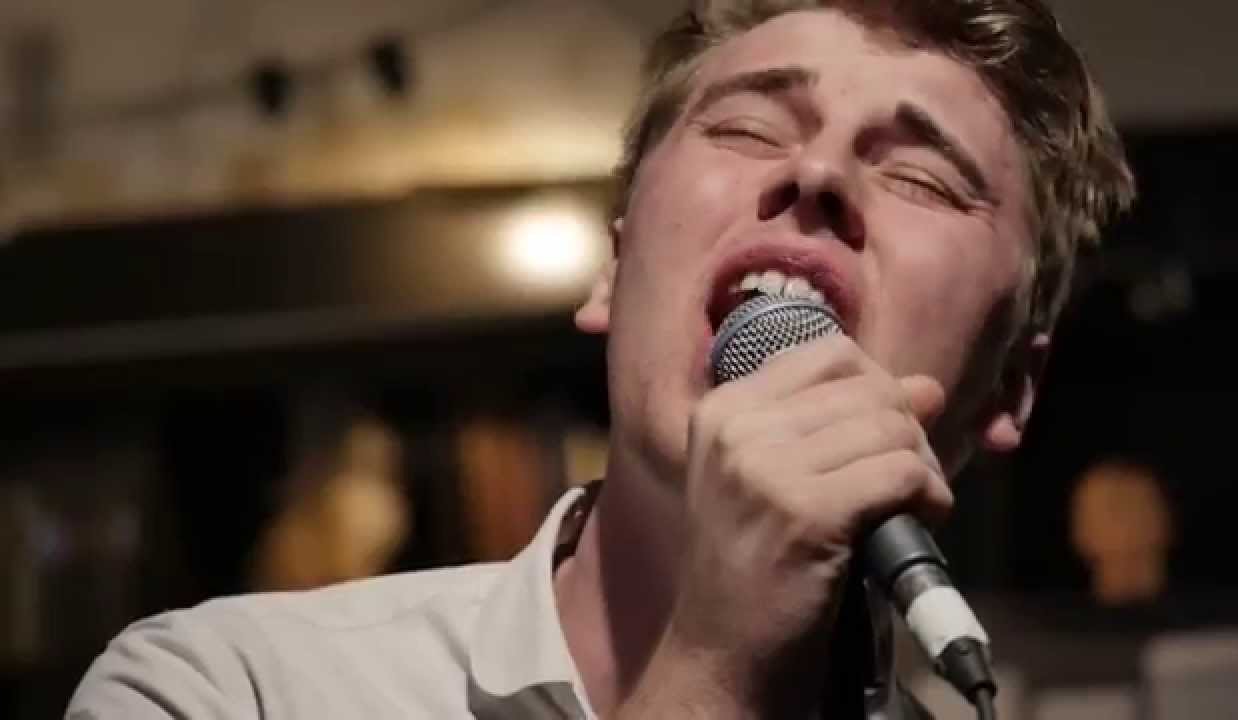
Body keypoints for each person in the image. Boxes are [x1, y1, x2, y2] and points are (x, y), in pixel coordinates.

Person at [67, 0, 1134, 717]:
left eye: (922, 178)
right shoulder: (230, 689)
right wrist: (716, 668)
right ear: (612, 275)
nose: (815, 173)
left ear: (1009, 386)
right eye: (749, 128)